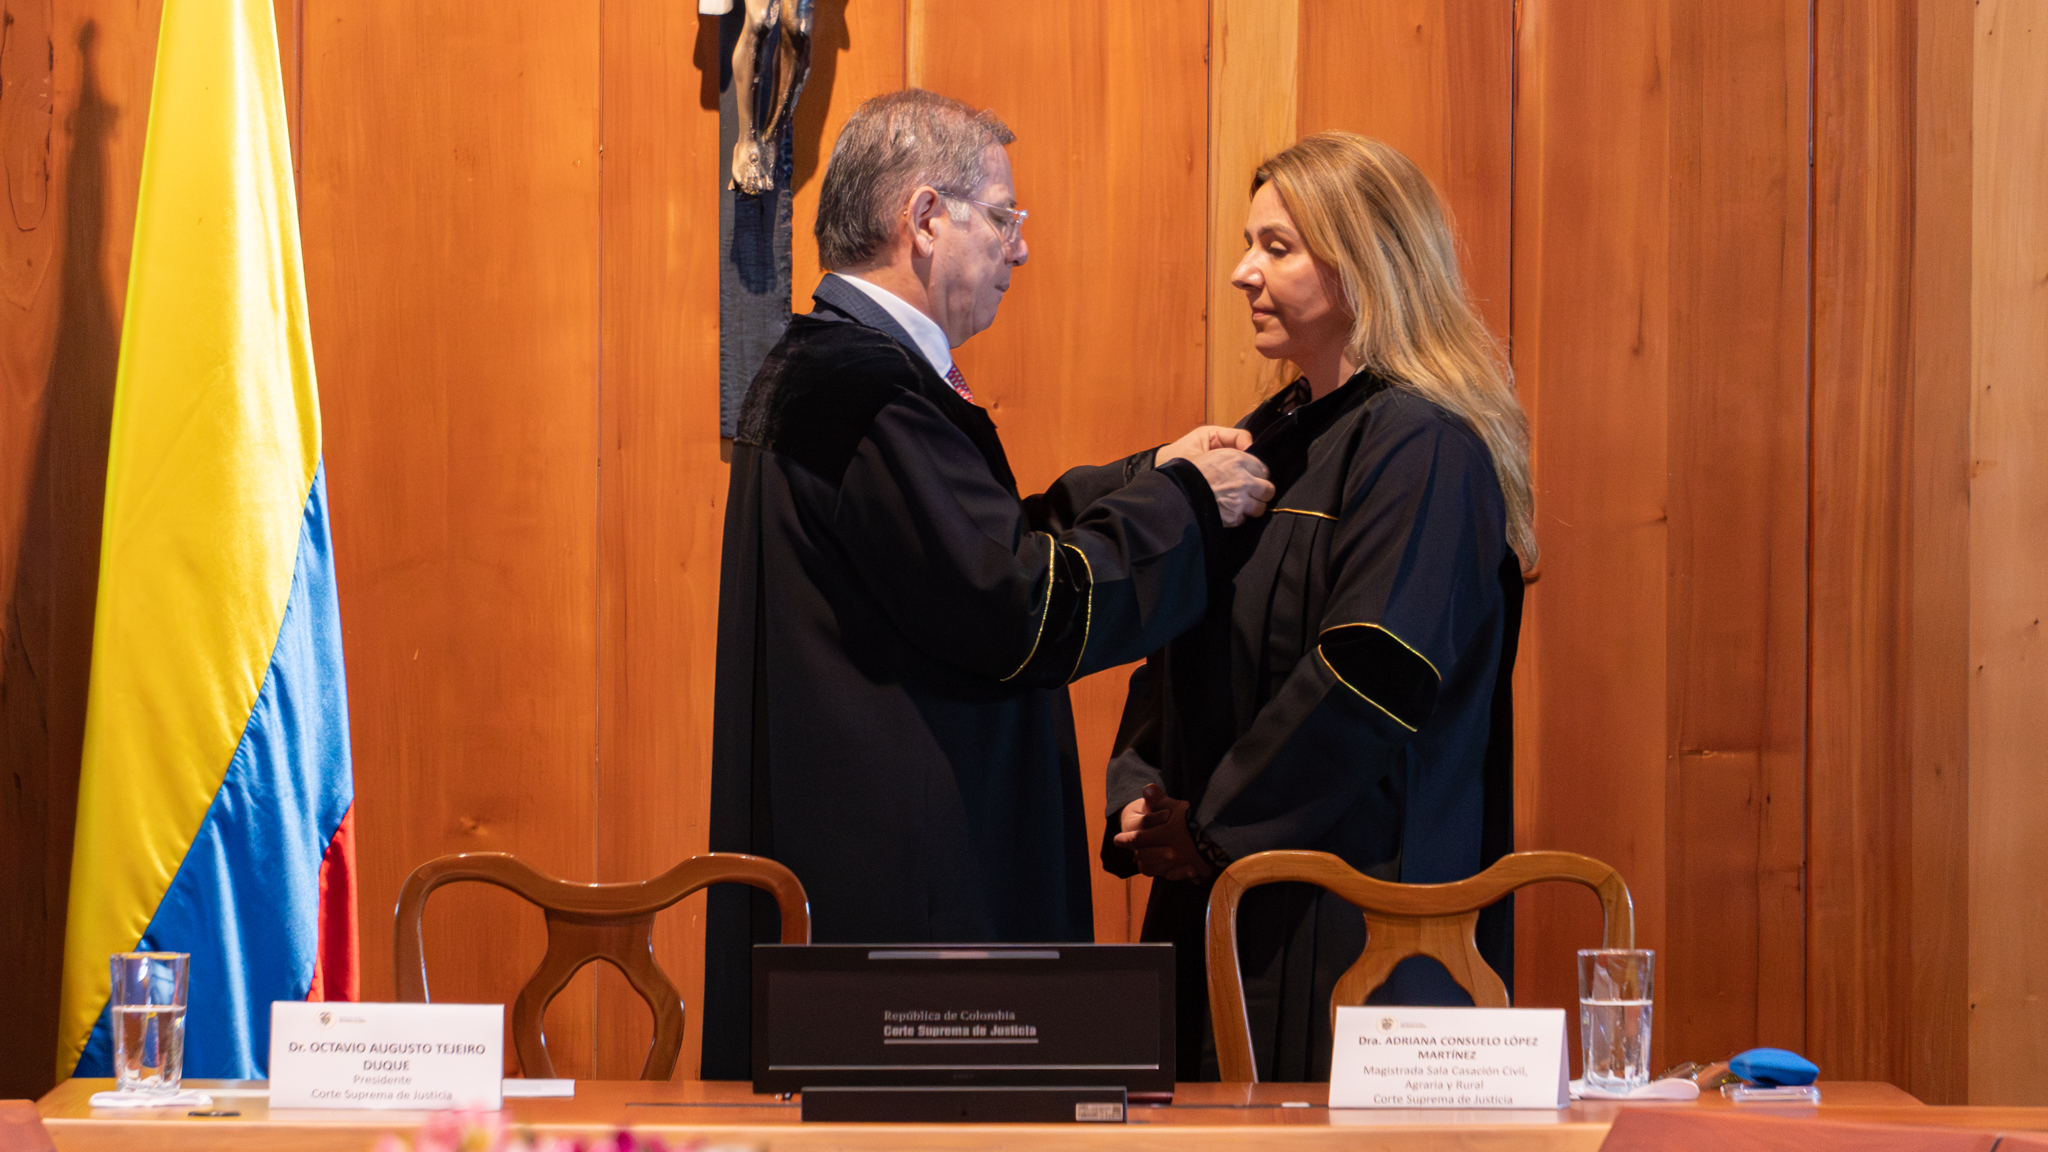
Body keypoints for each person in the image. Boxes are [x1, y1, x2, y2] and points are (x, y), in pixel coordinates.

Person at [701, 89, 1275, 1079]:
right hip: (919, 917)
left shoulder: (833, 370)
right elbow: (1018, 607)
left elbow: (966, 551)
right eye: (1004, 218)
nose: (1021, 248)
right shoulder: (869, 392)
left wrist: (1148, 475)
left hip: (872, 861)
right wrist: (1185, 501)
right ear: (925, 219)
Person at [1101, 133, 1534, 1082]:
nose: (1242, 273)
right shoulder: (1263, 443)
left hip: (1350, 912)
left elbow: (1369, 676)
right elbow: (1179, 641)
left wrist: (1211, 830)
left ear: (1365, 260)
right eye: (1248, 244)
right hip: (1217, 895)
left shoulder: (1424, 447)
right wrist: (1141, 791)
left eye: (1277, 247)